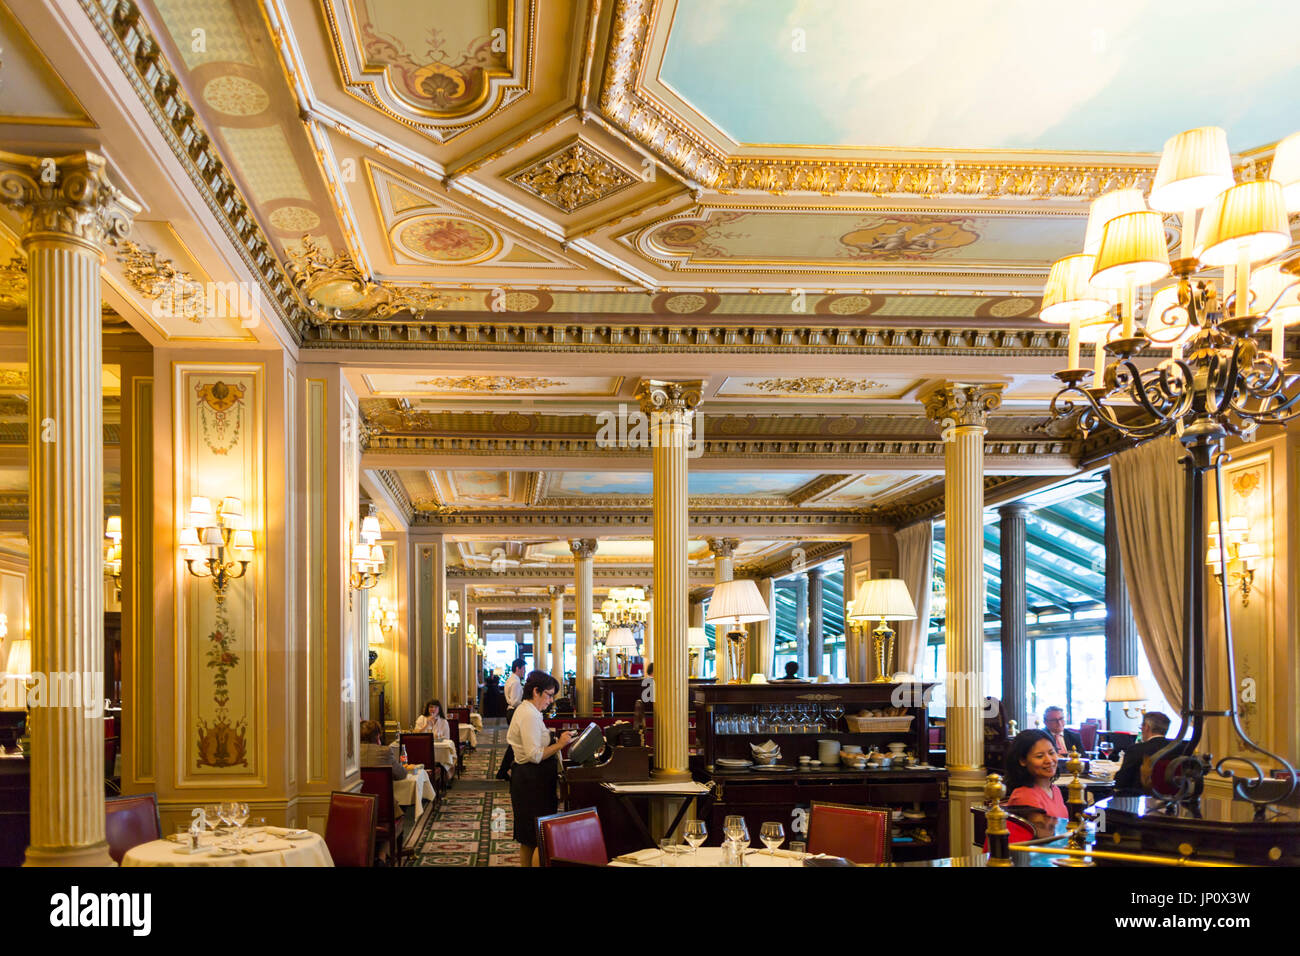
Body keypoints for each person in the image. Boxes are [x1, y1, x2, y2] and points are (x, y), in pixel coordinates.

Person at [507, 670, 573, 866]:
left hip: (532, 780)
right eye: (549, 695)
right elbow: (535, 755)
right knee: (538, 838)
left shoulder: (531, 712)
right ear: (536, 691)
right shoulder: (529, 714)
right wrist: (560, 744)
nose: (551, 700)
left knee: (530, 838)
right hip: (532, 781)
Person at [1003, 729, 1066, 834]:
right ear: (1022, 761)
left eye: (1051, 753)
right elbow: (1042, 841)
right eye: (1040, 756)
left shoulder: (1055, 790)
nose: (1049, 760)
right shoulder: (1025, 796)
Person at [1114, 711, 1180, 794]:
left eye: (1141, 726)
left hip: (1139, 799)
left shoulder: (1137, 749)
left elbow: (1121, 782)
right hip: (1172, 800)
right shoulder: (1178, 748)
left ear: (1147, 727)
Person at [495, 658, 527, 781]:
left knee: (515, 742)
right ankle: (503, 771)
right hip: (514, 712)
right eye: (523, 669)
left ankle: (503, 770)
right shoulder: (516, 682)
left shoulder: (511, 679)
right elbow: (514, 701)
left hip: (511, 711)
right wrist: (525, 703)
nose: (524, 671)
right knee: (515, 742)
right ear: (518, 668)